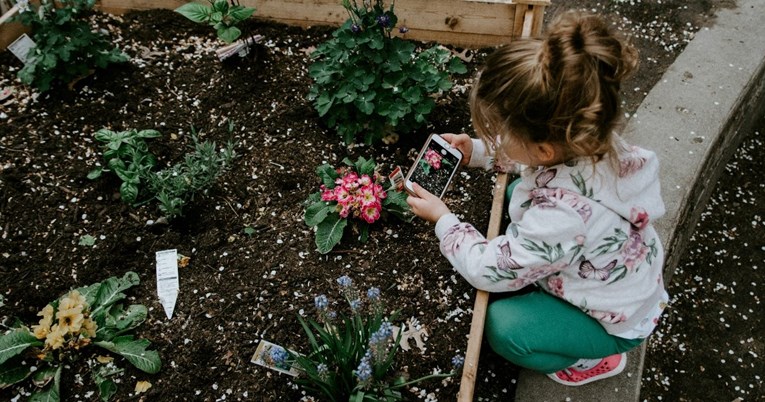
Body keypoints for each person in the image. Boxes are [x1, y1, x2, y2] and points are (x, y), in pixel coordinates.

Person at [406, 11, 668, 386]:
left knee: (503, 327)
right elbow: (534, 161)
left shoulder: (561, 218)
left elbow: (488, 270)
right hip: (620, 278)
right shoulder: (593, 140)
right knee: (517, 191)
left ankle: (591, 359)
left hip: (612, 320)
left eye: (499, 131)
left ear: (544, 148)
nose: (495, 134)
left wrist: (445, 220)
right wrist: (479, 152)